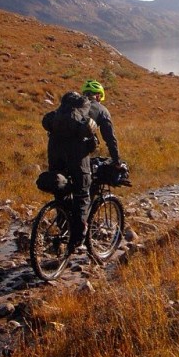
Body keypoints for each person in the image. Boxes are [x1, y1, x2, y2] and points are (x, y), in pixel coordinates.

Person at [42, 79, 121, 251]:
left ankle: (63, 227)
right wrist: (116, 161)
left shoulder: (70, 108)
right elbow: (109, 138)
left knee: (60, 187)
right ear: (99, 96)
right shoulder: (101, 109)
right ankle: (77, 238)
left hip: (54, 148)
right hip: (76, 151)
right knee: (82, 190)